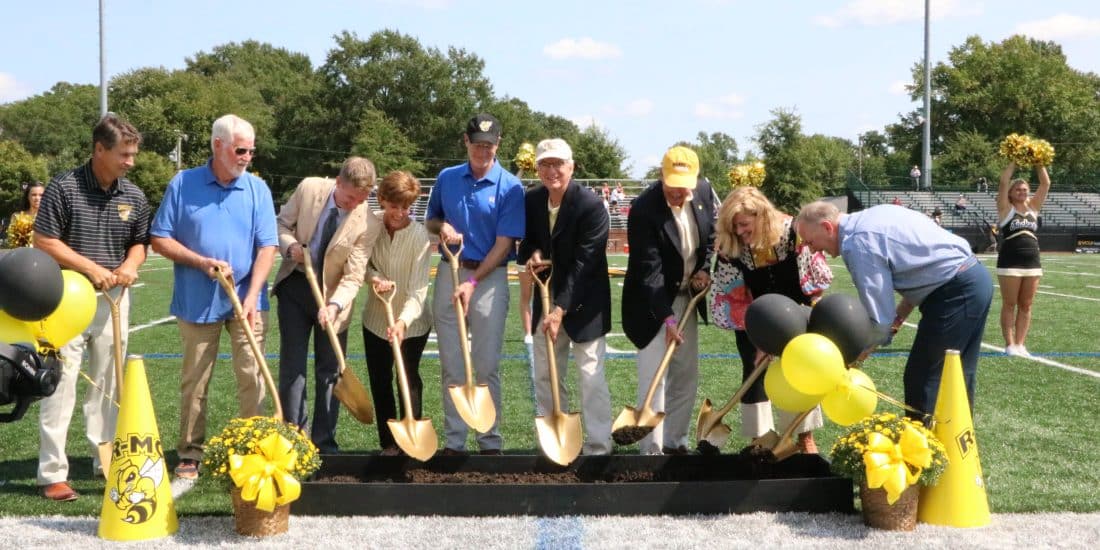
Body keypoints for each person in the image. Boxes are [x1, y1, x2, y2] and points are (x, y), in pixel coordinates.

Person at [150, 114, 278, 479]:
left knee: (252, 376)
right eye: (240, 150)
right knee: (195, 379)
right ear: (217, 145)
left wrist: (253, 297)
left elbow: (267, 247)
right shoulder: (183, 183)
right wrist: (200, 261)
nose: (247, 157)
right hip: (196, 300)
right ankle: (190, 451)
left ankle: (252, 446)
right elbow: (160, 238)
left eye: (252, 151)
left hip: (247, 302)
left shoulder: (257, 189)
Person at [32, 114, 150, 501]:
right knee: (61, 384)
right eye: (124, 154)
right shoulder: (63, 188)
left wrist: (130, 265)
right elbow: (45, 240)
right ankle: (53, 473)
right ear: (99, 149)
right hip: (66, 299)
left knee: (109, 382)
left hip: (114, 300)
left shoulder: (133, 195)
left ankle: (107, 460)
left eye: (133, 155)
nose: (130, 162)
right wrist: (92, 269)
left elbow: (139, 241)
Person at [796, 201, 993, 421]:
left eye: (810, 241)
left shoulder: (858, 243)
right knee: (957, 375)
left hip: (955, 290)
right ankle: (957, 450)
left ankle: (924, 451)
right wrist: (897, 321)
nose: (811, 248)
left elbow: (879, 320)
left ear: (827, 227)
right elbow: (916, 271)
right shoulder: (873, 216)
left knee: (923, 378)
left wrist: (851, 357)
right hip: (973, 279)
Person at [425, 113, 525, 455]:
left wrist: (472, 281)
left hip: (488, 278)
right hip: (449, 273)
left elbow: (505, 244)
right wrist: (442, 228)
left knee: (485, 366)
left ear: (498, 145)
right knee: (451, 365)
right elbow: (432, 218)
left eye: (490, 145)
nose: (483, 150)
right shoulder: (447, 178)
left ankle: (488, 441)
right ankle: (454, 441)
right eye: (477, 144)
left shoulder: (510, 185)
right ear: (466, 142)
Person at [709, 187, 829, 453]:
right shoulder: (732, 246)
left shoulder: (792, 232)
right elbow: (733, 295)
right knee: (753, 369)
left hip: (794, 309)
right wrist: (761, 336)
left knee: (799, 369)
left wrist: (805, 316)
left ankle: (802, 434)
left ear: (761, 215)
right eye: (734, 226)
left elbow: (812, 280)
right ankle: (760, 438)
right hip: (753, 312)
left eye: (744, 224)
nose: (739, 231)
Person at [272, 157, 379, 453]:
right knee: (293, 366)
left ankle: (325, 441)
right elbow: (281, 224)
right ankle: (293, 437)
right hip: (295, 286)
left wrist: (334, 305)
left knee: (330, 369)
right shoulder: (309, 189)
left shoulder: (368, 221)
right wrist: (290, 246)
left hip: (334, 297)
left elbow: (355, 274)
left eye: (361, 199)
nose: (353, 204)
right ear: (338, 182)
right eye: (349, 197)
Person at [518, 138, 613, 456]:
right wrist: (532, 253)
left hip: (585, 303)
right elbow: (528, 241)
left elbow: (585, 265)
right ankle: (553, 444)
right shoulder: (532, 200)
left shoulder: (590, 206)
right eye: (544, 164)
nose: (551, 170)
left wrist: (559, 309)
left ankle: (599, 446)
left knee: (591, 377)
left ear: (571, 166)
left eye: (558, 163)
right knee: (546, 375)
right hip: (546, 299)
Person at [621, 145, 716, 455]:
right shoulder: (644, 209)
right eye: (672, 186)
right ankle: (650, 449)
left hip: (688, 295)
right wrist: (668, 319)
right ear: (661, 176)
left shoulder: (703, 193)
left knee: (685, 375)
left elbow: (712, 235)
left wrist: (703, 269)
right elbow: (650, 272)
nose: (679, 193)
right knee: (655, 376)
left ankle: (675, 443)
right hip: (651, 303)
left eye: (684, 187)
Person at [361, 171, 433, 456]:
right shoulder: (369, 225)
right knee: (380, 381)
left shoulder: (419, 236)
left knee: (408, 379)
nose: (400, 213)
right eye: (394, 206)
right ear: (382, 200)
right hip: (375, 321)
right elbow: (360, 263)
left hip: (412, 324)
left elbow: (418, 290)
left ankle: (411, 440)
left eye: (406, 207)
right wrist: (374, 277)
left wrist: (403, 322)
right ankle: (389, 443)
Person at [996, 161, 1051, 357]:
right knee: (1010, 303)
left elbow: (1045, 184)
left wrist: (1039, 162)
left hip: (1032, 263)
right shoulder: (1005, 209)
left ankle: (1021, 344)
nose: (1022, 192)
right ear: (1011, 193)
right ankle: (1010, 344)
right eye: (1018, 189)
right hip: (1010, 262)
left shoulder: (1034, 207)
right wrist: (1013, 161)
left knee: (1026, 305)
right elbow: (1003, 182)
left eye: (1025, 189)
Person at [5, 181, 45, 248]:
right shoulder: (17, 217)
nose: (37, 198)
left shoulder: (49, 217)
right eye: (34, 195)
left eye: (41, 195)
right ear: (27, 197)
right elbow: (12, 242)